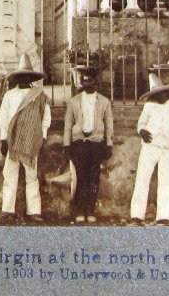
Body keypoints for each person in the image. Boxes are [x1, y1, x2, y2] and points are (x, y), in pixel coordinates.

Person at [0, 54, 51, 223]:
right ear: (17, 78)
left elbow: (45, 119)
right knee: (10, 175)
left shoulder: (39, 96)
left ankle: (34, 211)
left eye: (27, 75)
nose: (24, 78)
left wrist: (42, 137)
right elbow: (3, 118)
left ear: (32, 78)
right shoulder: (9, 96)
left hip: (31, 141)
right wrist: (3, 140)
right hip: (12, 140)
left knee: (31, 176)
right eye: (21, 75)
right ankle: (7, 210)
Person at [130, 72, 169, 225]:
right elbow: (141, 124)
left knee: (167, 180)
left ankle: (165, 215)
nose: (162, 96)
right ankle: (136, 214)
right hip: (150, 145)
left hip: (167, 147)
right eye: (158, 94)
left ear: (168, 92)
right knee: (142, 178)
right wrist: (142, 131)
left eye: (164, 93)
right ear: (154, 95)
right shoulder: (149, 107)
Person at [63, 66, 113, 223]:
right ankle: (79, 209)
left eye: (90, 81)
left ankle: (90, 209)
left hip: (96, 142)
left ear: (96, 82)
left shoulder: (104, 102)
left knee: (93, 177)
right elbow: (68, 124)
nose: (87, 84)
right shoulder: (74, 101)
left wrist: (109, 144)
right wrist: (66, 145)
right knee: (79, 176)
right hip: (79, 142)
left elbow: (109, 124)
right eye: (84, 81)